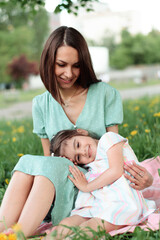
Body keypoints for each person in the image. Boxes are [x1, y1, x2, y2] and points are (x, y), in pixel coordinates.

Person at [0, 26, 155, 237]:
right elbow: (48, 160)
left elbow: (117, 149)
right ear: (48, 62)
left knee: (47, 167)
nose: (69, 73)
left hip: (92, 188)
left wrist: (144, 179)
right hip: (54, 187)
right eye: (61, 65)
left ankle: (17, 234)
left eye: (76, 66)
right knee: (29, 162)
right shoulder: (41, 104)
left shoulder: (105, 95)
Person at [48, 129, 156, 239]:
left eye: (78, 145)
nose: (83, 152)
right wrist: (66, 163)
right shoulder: (91, 164)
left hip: (122, 203)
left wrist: (86, 186)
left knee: (89, 227)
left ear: (82, 132)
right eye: (78, 157)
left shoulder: (108, 139)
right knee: (68, 223)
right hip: (98, 204)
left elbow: (116, 171)